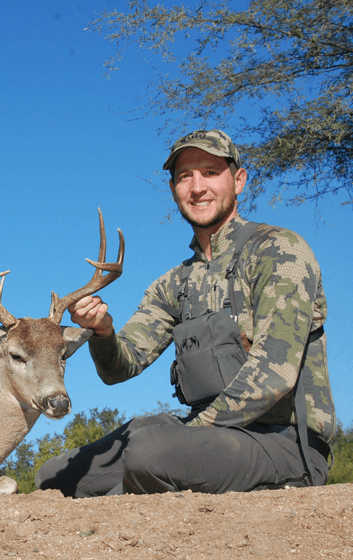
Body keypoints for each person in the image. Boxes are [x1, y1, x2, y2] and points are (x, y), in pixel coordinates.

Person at [35, 129, 335, 496]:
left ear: (238, 181)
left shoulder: (279, 251)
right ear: (175, 189)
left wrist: (191, 431)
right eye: (184, 177)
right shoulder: (174, 283)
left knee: (150, 452)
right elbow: (121, 367)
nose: (197, 187)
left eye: (210, 172)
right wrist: (103, 331)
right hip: (206, 439)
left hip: (283, 442)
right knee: (56, 476)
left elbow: (274, 374)